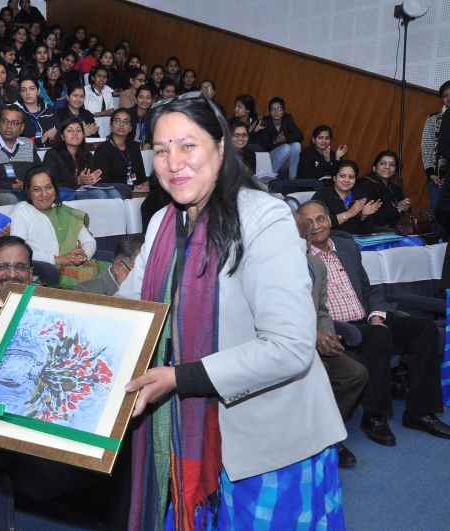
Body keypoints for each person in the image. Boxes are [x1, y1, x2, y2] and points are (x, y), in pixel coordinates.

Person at [120, 98, 346, 530]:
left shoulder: (264, 216)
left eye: (188, 146)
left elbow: (289, 347)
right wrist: (36, 316)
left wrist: (179, 377)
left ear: (221, 147)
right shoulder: (163, 222)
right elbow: (128, 309)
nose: (173, 162)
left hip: (268, 440)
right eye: (161, 150)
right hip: (188, 431)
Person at [298, 200, 450, 446]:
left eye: (320, 218)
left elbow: (370, 289)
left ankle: (420, 412)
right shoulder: (298, 258)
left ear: (329, 220)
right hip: (337, 327)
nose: (315, 226)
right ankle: (375, 417)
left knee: (424, 328)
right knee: (378, 336)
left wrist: (376, 314)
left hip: (366, 319)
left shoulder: (347, 247)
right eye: (308, 222)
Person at [294, 209, 368, 469]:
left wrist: (327, 334)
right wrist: (312, 335)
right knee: (315, 377)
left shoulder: (316, 265)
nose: (305, 240)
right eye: (300, 235)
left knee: (355, 374)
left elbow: (322, 310)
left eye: (306, 236)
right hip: (288, 343)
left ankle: (328, 432)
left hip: (316, 338)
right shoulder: (271, 269)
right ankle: (316, 437)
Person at [10, 166, 97, 288]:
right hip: (43, 273)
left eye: (48, 187)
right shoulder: (22, 211)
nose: (44, 194)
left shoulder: (64, 212)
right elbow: (17, 251)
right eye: (37, 189)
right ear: (28, 192)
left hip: (75, 267)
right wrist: (58, 259)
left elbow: (89, 241)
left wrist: (83, 255)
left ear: (55, 189)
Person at [43, 116, 114, 200]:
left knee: (113, 193)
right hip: (64, 193)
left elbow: (89, 181)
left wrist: (91, 179)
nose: (75, 133)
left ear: (83, 135)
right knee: (100, 195)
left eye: (78, 130)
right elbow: (50, 183)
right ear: (62, 136)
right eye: (70, 130)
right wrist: (77, 181)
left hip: (83, 190)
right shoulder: (52, 154)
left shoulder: (87, 155)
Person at [91, 108, 148, 198]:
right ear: (111, 125)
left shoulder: (134, 147)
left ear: (130, 128)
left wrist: (142, 185)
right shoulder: (103, 149)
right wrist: (130, 188)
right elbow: (103, 183)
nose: (121, 125)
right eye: (117, 121)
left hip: (135, 192)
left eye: (126, 122)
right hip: (113, 194)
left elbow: (141, 176)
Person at [311, 160, 379, 234]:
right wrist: (349, 213)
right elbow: (315, 224)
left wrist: (364, 216)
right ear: (334, 178)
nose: (347, 180)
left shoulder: (360, 196)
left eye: (351, 177)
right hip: (331, 238)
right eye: (342, 176)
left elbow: (368, 231)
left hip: (356, 238)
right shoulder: (322, 195)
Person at [355, 150, 410, 230]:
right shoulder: (364, 185)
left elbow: (404, 209)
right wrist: (398, 209)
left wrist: (406, 206)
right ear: (374, 168)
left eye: (392, 165)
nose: (387, 167)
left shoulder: (395, 188)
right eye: (382, 163)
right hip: (371, 231)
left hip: (394, 230)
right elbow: (374, 218)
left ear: (395, 170)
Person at [257, 97, 303, 179]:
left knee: (297, 145)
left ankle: (292, 177)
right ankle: (269, 177)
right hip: (270, 158)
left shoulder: (287, 119)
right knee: (286, 147)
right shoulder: (265, 122)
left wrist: (285, 138)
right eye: (273, 109)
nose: (276, 112)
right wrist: (276, 141)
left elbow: (299, 135)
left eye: (279, 109)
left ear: (283, 111)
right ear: (270, 112)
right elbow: (265, 146)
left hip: (284, 159)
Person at [421, 80, 449, 210]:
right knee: (439, 215)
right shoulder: (433, 119)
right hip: (438, 177)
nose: (449, 98)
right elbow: (426, 147)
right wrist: (431, 173)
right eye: (445, 95)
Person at [14, 76, 56, 147]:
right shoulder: (14, 112)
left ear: (38, 91)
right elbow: (11, 141)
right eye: (23, 90)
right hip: (26, 152)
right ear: (20, 93)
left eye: (32, 89)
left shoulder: (49, 110)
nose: (28, 93)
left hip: (51, 151)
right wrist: (43, 138)